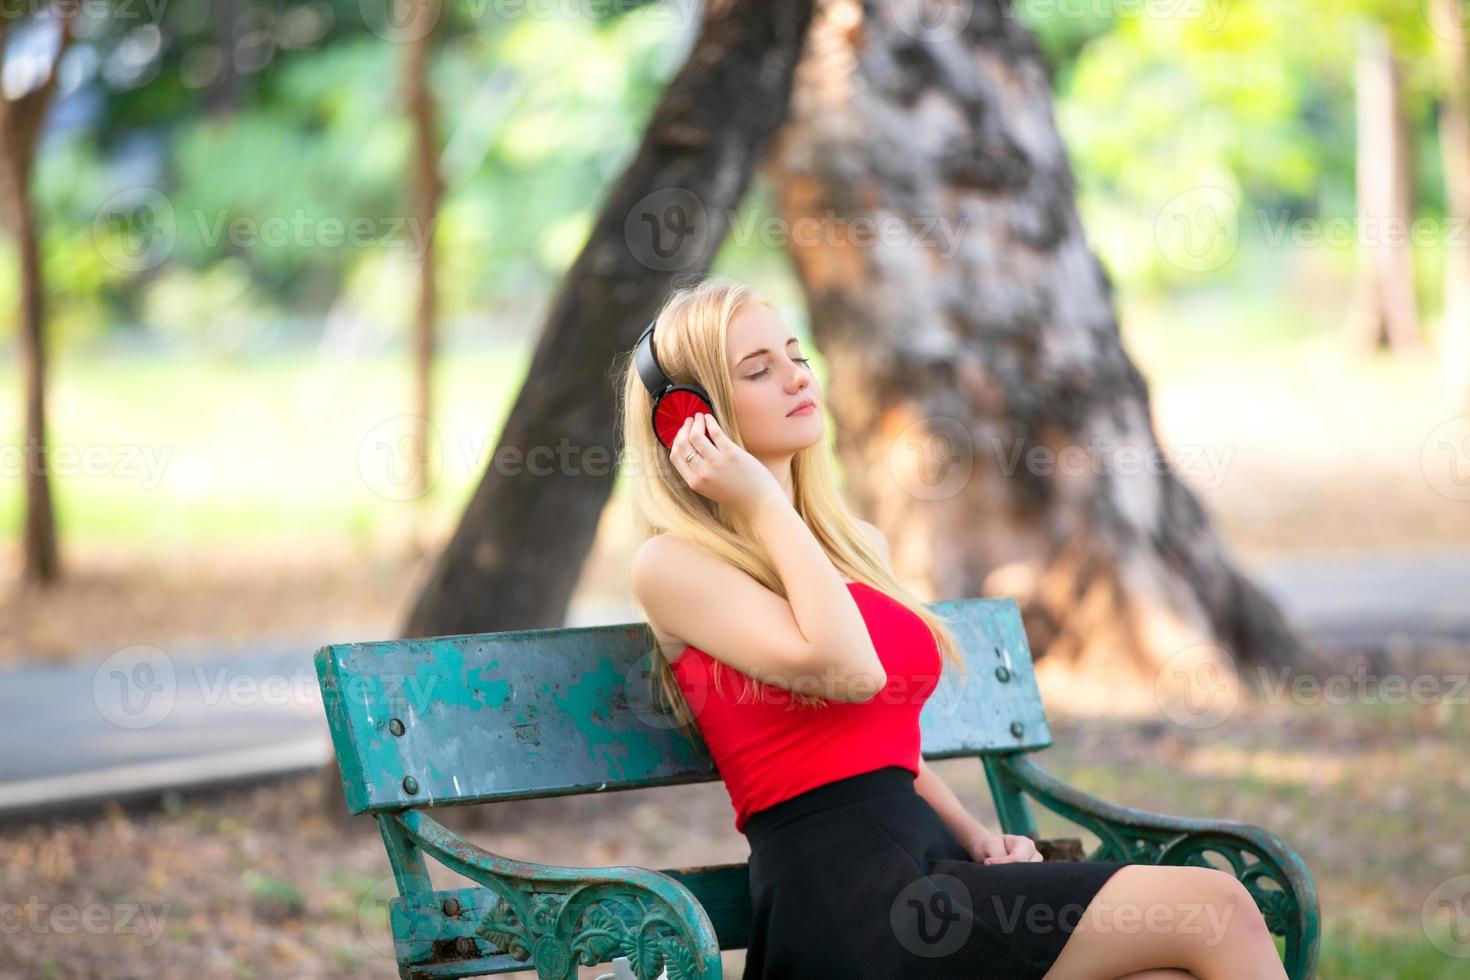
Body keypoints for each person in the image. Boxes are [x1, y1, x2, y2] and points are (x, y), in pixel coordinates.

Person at [617, 276, 1286, 980]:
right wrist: (760, 501)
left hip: (931, 864)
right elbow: (852, 672)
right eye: (757, 370)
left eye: (796, 356)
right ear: (688, 419)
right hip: (848, 901)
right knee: (1217, 909)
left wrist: (975, 833)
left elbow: (881, 738)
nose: (794, 378)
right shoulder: (673, 566)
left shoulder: (852, 548)